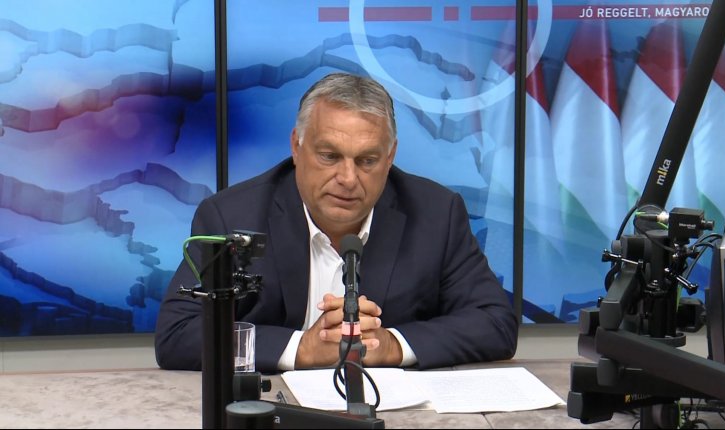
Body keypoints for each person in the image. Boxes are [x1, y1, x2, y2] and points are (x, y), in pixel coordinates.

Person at [154, 72, 518, 373]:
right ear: (296, 147)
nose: (347, 178)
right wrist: (302, 349)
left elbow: (495, 323)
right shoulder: (231, 217)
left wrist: (391, 345)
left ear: (390, 157)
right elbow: (178, 333)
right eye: (329, 156)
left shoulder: (436, 214)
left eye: (367, 160)